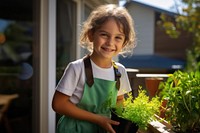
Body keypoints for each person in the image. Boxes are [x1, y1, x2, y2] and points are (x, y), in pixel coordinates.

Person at [52, 4, 136, 133]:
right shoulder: (76, 68)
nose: (110, 42)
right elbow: (58, 104)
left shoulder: (119, 71)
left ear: (124, 43)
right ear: (91, 35)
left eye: (118, 37)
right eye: (104, 35)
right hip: (75, 129)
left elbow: (119, 100)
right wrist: (98, 119)